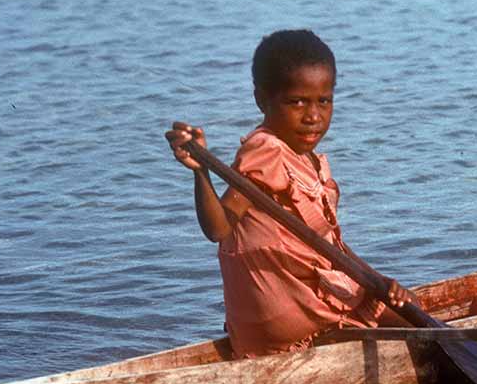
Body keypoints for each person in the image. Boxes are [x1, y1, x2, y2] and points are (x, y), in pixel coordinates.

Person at [166, 29, 414, 358]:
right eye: (296, 102)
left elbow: (328, 246)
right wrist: (201, 171)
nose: (313, 116)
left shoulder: (306, 157)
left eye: (323, 101)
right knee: (412, 321)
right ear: (262, 100)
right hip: (288, 310)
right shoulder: (267, 150)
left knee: (403, 304)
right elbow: (219, 228)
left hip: (284, 304)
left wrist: (377, 281)